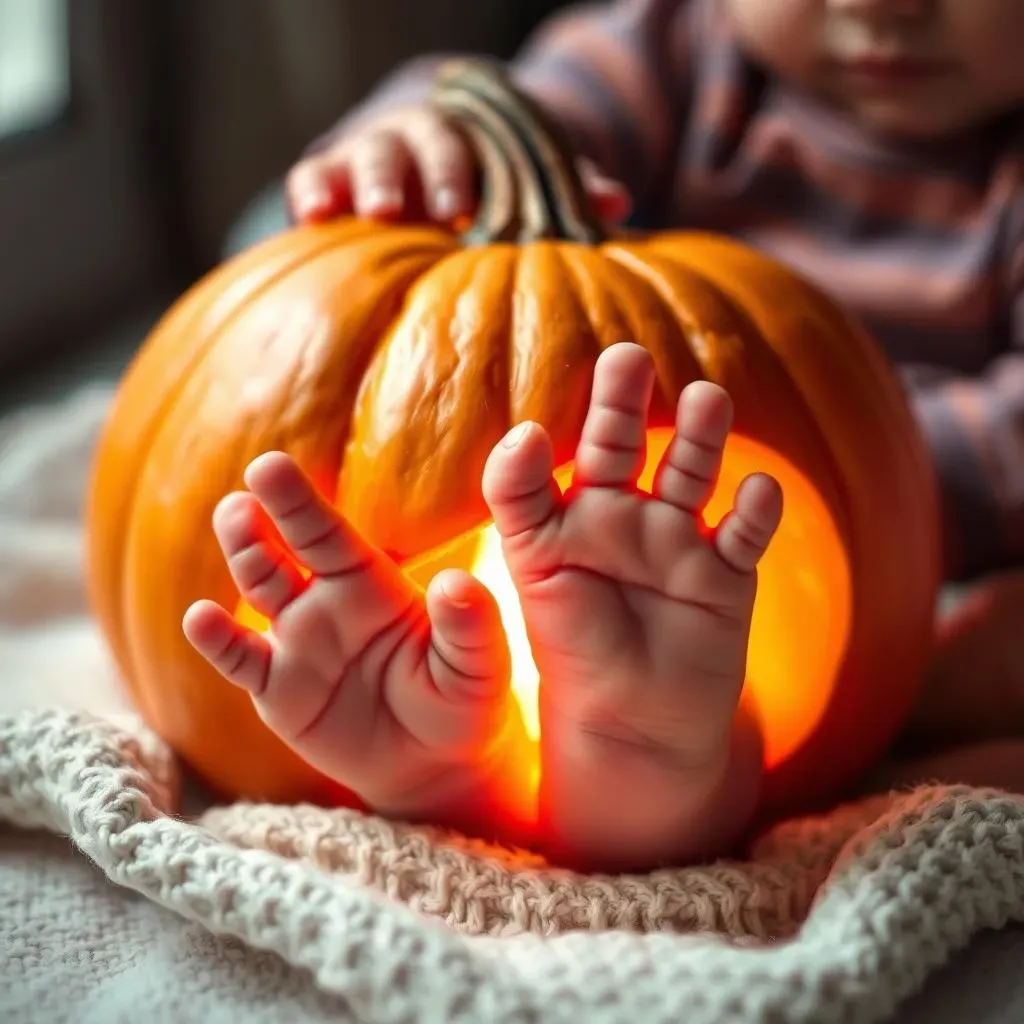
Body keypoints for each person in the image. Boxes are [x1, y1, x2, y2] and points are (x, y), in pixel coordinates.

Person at [183, 0, 1024, 872]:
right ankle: (553, 756)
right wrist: (430, 133)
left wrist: (877, 483)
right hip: (637, 528)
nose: (878, 7)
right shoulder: (673, 53)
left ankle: (638, 748)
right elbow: (524, 104)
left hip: (937, 565)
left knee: (975, 667)